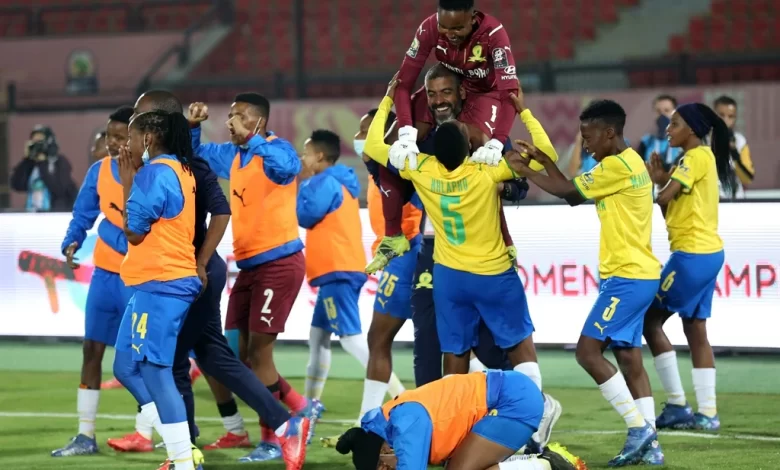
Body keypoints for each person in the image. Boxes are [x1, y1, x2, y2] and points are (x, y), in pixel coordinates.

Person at [366, 78, 555, 432]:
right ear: (470, 142)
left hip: (449, 272)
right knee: (512, 348)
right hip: (489, 270)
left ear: (460, 94)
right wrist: (523, 111)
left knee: (456, 354)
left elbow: (373, 146)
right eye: (432, 93)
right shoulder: (487, 167)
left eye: (445, 92)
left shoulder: (420, 163)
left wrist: (389, 97)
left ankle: (450, 423)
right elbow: (545, 158)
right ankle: (530, 423)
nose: (437, 100)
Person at [504, 100, 663, 466]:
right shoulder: (631, 161)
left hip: (627, 276)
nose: (585, 144)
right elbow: (569, 185)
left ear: (610, 132)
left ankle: (640, 430)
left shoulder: (615, 167)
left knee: (587, 353)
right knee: (627, 356)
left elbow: (570, 195)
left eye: (588, 136)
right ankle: (651, 446)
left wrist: (524, 170)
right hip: (637, 273)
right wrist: (543, 163)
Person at [188, 94, 321, 463]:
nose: (230, 122)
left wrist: (254, 139)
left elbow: (287, 168)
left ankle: (271, 440)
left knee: (260, 353)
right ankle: (298, 408)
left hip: (279, 263)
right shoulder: (234, 156)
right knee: (231, 354)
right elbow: (198, 158)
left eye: (239, 117)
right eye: (229, 116)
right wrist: (194, 126)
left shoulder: (276, 150)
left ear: (258, 122)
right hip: (247, 267)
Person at [368, 0, 520, 270]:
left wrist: (497, 141)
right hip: (444, 88)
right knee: (389, 148)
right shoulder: (428, 29)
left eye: (458, 28)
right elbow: (403, 83)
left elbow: (511, 93)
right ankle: (393, 236)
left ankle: (505, 241)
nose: (450, 34)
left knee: (484, 162)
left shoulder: (494, 34)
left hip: (482, 95)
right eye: (444, 27)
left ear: (473, 18)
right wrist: (406, 132)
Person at [111, 109, 203, 470]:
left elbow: (134, 231)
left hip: (162, 282)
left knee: (155, 371)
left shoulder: (153, 174)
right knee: (125, 367)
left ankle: (182, 460)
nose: (127, 145)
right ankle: (178, 448)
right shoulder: (181, 169)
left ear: (148, 138)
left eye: (131, 138)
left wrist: (127, 181)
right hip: (156, 282)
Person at [642, 103, 735, 433]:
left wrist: (657, 182)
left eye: (675, 124)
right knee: (695, 329)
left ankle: (678, 404)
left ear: (692, 130)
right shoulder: (700, 158)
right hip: (707, 253)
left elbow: (665, 199)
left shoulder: (694, 157)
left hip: (692, 255)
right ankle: (708, 413)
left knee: (649, 321)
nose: (668, 129)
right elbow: (670, 205)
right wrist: (662, 181)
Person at [51, 105, 135, 458]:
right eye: (109, 136)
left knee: (137, 360)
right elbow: (83, 213)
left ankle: (147, 432)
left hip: (138, 278)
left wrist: (111, 232)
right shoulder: (99, 172)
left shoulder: (151, 173)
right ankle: (86, 436)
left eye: (120, 136)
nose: (112, 143)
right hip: (104, 274)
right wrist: (72, 239)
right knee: (92, 349)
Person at [335, 371, 587, 470]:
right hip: (505, 397)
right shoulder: (392, 423)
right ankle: (544, 465)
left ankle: (545, 463)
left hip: (512, 401)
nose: (384, 469)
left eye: (380, 464)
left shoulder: (405, 423)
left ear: (385, 447)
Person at [297, 129, 373, 412]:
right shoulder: (338, 180)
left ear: (318, 156)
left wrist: (301, 186)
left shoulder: (324, 182)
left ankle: (398, 393)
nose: (302, 159)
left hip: (337, 270)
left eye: (305, 153)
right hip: (339, 269)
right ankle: (309, 404)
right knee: (317, 338)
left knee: (352, 341)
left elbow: (306, 215)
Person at [10, 125, 77, 212]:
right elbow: (17, 185)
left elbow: (59, 189)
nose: (38, 145)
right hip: (32, 213)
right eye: (35, 142)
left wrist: (43, 163)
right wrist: (26, 159)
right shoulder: (31, 163)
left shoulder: (59, 161)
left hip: (54, 214)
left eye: (40, 142)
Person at [713, 95, 755, 198]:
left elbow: (747, 178)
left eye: (731, 116)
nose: (725, 120)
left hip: (736, 203)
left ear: (735, 118)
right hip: (710, 202)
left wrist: (733, 151)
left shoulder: (740, 142)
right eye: (721, 115)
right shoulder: (702, 140)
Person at [636, 94, 681, 168]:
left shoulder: (683, 141)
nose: (662, 115)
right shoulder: (646, 142)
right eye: (658, 111)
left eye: (667, 110)